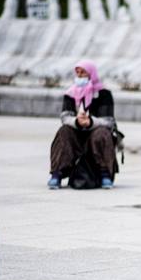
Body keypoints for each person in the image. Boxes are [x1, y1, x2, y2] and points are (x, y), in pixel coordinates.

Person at [48, 60, 117, 189]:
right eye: (77, 73)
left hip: (95, 132)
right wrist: (77, 122)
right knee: (64, 131)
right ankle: (56, 174)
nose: (79, 76)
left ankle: (104, 174)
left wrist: (90, 122)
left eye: (83, 73)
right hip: (76, 131)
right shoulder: (70, 93)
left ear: (91, 74)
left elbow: (109, 120)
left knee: (102, 133)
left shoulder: (103, 94)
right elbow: (65, 117)